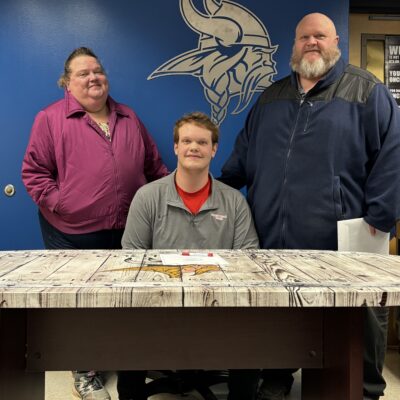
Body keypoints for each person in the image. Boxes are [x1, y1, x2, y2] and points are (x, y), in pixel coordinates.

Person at [219, 12, 400, 400]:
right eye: (304, 37)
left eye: (320, 36)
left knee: (357, 320)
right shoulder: (271, 96)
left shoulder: (367, 91)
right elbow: (242, 157)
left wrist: (381, 215)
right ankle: (277, 376)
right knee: (279, 314)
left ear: (335, 42)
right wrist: (212, 191)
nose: (312, 43)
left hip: (344, 238)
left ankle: (364, 389)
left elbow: (393, 154)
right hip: (273, 235)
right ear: (294, 47)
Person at [21, 47, 168, 400]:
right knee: (80, 303)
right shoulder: (50, 119)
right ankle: (85, 370)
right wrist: (63, 204)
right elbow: (34, 173)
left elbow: (154, 166)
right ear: (67, 83)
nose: (93, 78)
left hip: (127, 231)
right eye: (83, 73)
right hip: (71, 232)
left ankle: (119, 356)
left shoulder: (128, 116)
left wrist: (168, 198)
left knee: (123, 301)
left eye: (98, 71)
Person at [119, 111, 260, 400]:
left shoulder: (234, 201)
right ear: (175, 147)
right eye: (186, 141)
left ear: (214, 149)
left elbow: (249, 261)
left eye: (202, 142)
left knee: (251, 337)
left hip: (221, 307)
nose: (193, 147)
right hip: (157, 307)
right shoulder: (147, 197)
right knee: (127, 338)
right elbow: (131, 259)